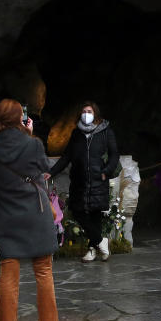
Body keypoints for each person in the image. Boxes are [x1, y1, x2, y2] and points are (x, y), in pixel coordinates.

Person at [0, 99, 59, 321]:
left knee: (8, 273)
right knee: (43, 271)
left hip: (8, 215)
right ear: (20, 118)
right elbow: (44, 169)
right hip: (35, 213)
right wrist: (29, 135)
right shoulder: (32, 144)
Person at [47, 101, 119, 263]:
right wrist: (51, 172)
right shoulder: (76, 134)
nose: (86, 114)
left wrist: (105, 172)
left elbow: (114, 155)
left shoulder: (106, 132)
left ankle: (93, 250)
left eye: (89, 111)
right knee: (76, 210)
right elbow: (67, 157)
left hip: (98, 180)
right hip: (79, 181)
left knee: (94, 215)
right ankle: (101, 241)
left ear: (96, 114)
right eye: (83, 111)